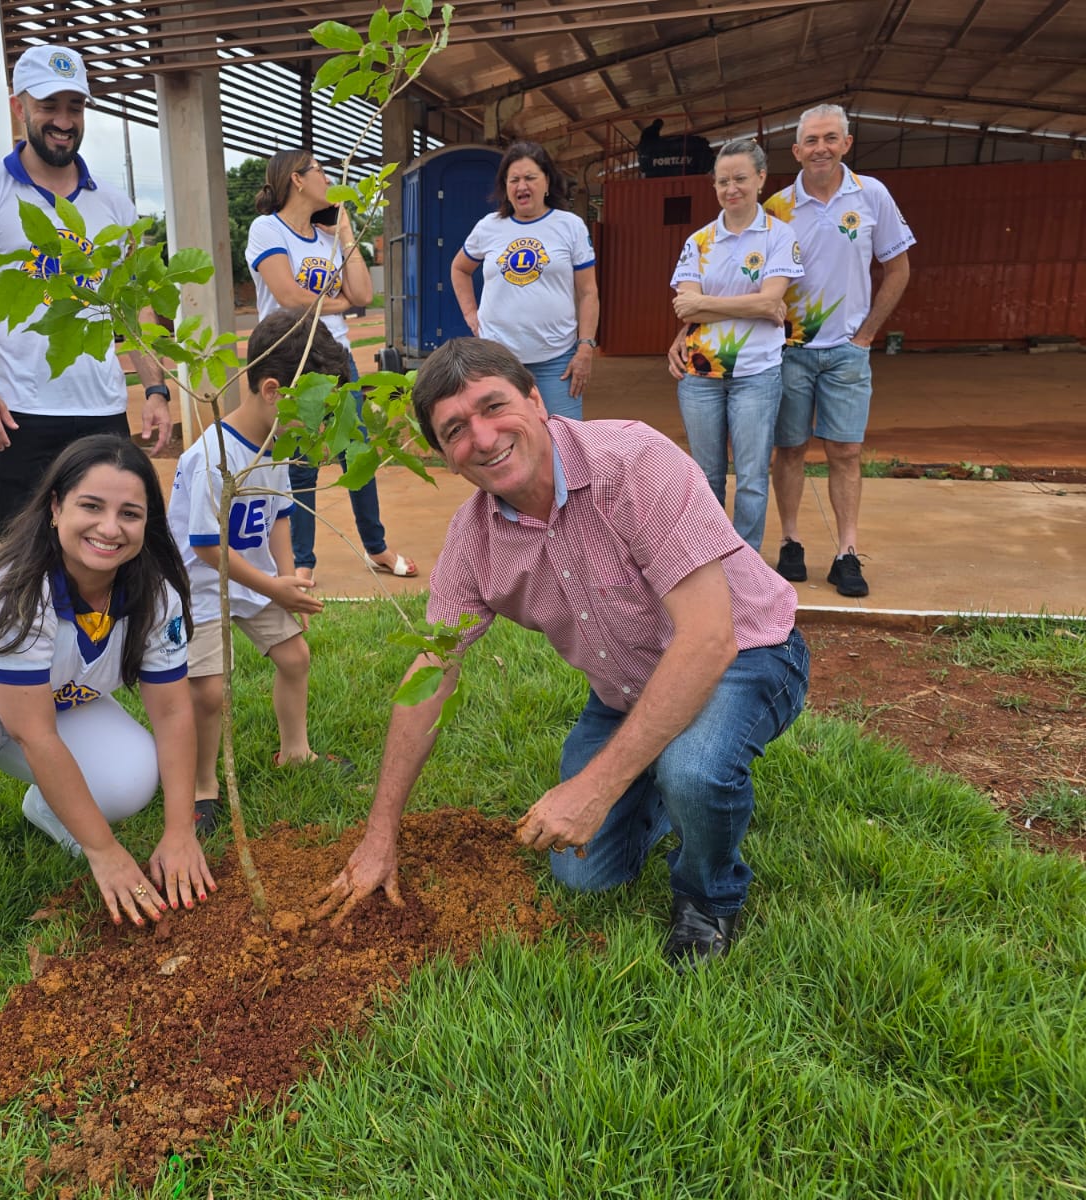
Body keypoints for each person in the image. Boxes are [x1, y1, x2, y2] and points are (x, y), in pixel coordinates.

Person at [312, 338, 809, 969]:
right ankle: (657, 780)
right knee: (584, 873)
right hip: (628, 688)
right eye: (456, 430)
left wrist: (595, 787)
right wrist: (381, 833)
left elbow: (711, 638)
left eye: (494, 406)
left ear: (537, 399)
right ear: (444, 457)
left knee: (695, 770)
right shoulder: (473, 539)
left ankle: (708, 896)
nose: (484, 437)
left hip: (748, 652)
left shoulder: (634, 462)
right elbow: (431, 673)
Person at [0, 435, 213, 990]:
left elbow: (172, 713)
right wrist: (105, 852)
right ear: (55, 508)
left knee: (128, 776)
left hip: (39, 707)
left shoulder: (154, 594)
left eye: (130, 513)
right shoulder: (13, 590)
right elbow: (35, 736)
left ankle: (50, 810)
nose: (109, 527)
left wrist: (179, 832)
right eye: (90, 506)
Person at [0, 43, 174, 538]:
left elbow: (134, 308)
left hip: (103, 412)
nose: (64, 120)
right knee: (26, 555)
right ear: (18, 107)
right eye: (49, 106)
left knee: (111, 546)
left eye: (75, 106)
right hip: (21, 416)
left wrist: (155, 389)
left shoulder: (112, 204)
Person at [677, 104, 913, 598]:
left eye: (831, 138)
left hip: (845, 349)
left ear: (847, 143)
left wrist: (867, 333)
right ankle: (789, 542)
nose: (821, 147)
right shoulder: (779, 208)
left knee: (845, 451)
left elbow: (897, 267)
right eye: (811, 140)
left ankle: (847, 551)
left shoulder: (871, 195)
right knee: (787, 452)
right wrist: (686, 330)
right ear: (796, 150)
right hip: (786, 351)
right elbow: (712, 294)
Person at [168, 310, 354, 835]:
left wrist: (290, 579)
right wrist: (274, 586)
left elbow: (281, 514)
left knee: (295, 656)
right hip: (200, 587)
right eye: (317, 409)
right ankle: (204, 786)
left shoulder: (276, 447)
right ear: (275, 391)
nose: (320, 425)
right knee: (207, 693)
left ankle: (295, 752)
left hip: (259, 579)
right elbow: (207, 548)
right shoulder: (212, 458)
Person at [246, 148, 417, 582]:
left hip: (337, 357)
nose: (330, 180)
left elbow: (363, 295)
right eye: (322, 171)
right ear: (297, 180)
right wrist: (338, 304)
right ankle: (303, 561)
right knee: (301, 461)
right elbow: (287, 296)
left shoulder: (327, 238)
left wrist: (343, 229)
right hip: (292, 359)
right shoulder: (267, 229)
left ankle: (376, 547)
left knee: (356, 452)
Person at [667, 138, 802, 550]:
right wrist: (755, 305)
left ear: (761, 178)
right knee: (705, 477)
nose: (732, 189)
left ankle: (746, 566)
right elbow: (686, 312)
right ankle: (710, 559)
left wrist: (707, 303)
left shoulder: (780, 236)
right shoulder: (699, 241)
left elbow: (771, 301)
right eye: (723, 181)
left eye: (741, 178)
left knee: (752, 477)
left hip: (757, 375)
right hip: (700, 376)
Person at [450, 140, 599, 420]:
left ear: (547, 182)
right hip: (498, 361)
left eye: (530, 178)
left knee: (564, 441)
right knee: (507, 437)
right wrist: (471, 313)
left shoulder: (570, 226)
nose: (522, 186)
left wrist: (585, 347)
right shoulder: (489, 227)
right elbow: (459, 268)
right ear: (505, 186)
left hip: (557, 362)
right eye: (514, 179)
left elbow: (589, 292)